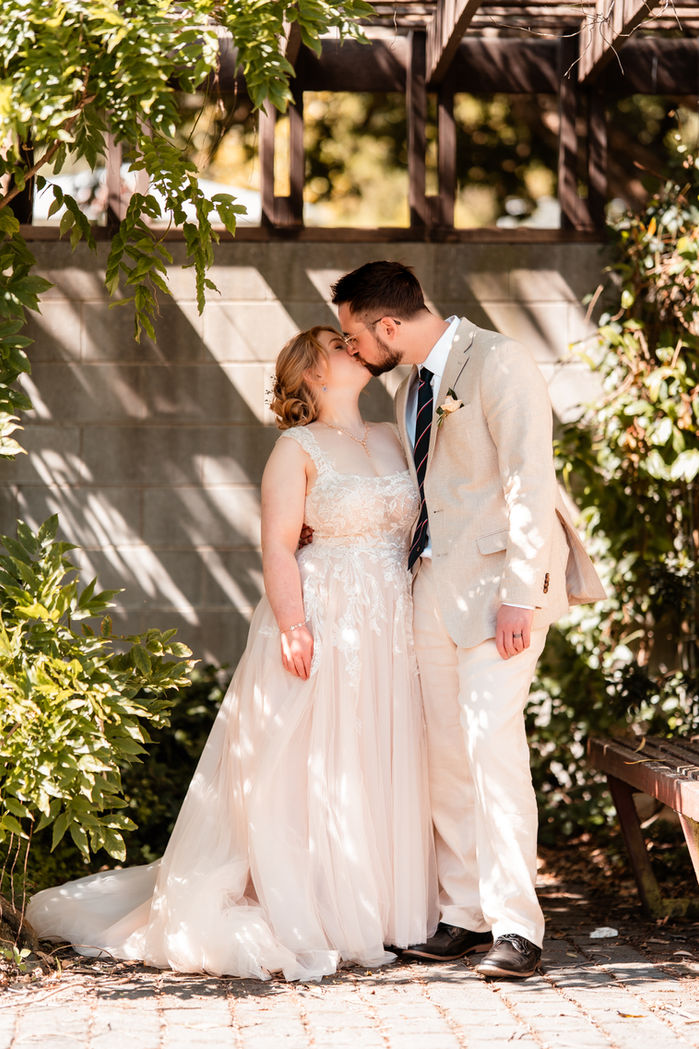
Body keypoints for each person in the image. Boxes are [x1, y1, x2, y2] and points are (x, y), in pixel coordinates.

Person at [27, 326, 438, 981]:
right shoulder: (294, 449)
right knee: (310, 762)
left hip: (393, 618)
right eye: (337, 344)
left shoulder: (393, 433)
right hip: (325, 612)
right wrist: (293, 624)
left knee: (379, 750)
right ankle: (316, 905)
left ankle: (378, 904)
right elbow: (277, 546)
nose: (353, 348)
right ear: (311, 372)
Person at [331, 262, 606, 979]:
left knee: (493, 753)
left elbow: (527, 480)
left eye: (352, 334)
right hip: (431, 591)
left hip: (498, 599)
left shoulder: (499, 362)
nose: (350, 348)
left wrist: (521, 590)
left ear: (387, 325)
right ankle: (463, 913)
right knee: (447, 758)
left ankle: (519, 927)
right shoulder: (407, 389)